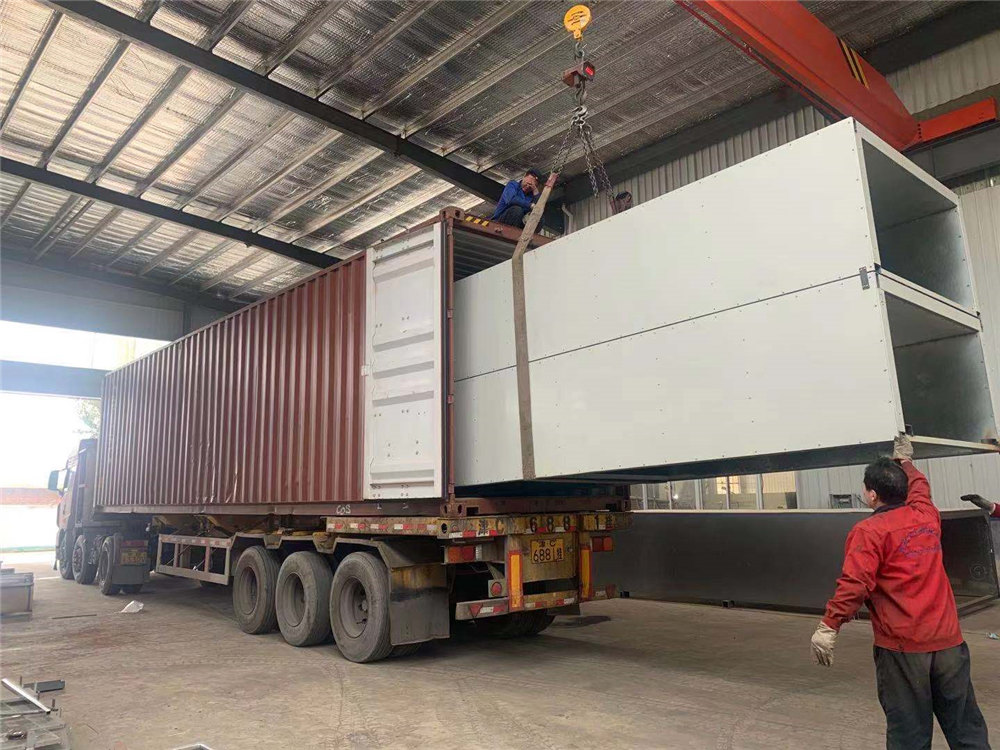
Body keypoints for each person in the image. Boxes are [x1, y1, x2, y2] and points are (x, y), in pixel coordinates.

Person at [811, 435, 990, 749]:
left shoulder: (869, 532)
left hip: (903, 649)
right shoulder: (926, 516)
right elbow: (921, 487)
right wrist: (905, 460)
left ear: (871, 494)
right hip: (949, 644)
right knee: (966, 731)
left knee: (909, 734)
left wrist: (829, 625)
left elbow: (855, 583)